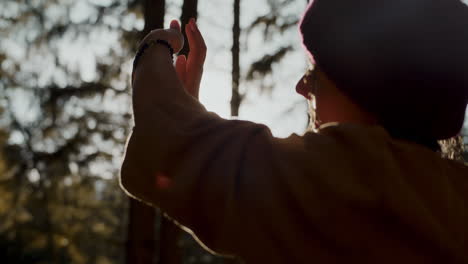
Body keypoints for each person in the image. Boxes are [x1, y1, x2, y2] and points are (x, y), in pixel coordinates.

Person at [120, 0, 468, 263]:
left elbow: (168, 146)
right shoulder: (448, 193)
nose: (302, 87)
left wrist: (156, 50)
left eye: (316, 72)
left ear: (370, 84)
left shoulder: (356, 178)